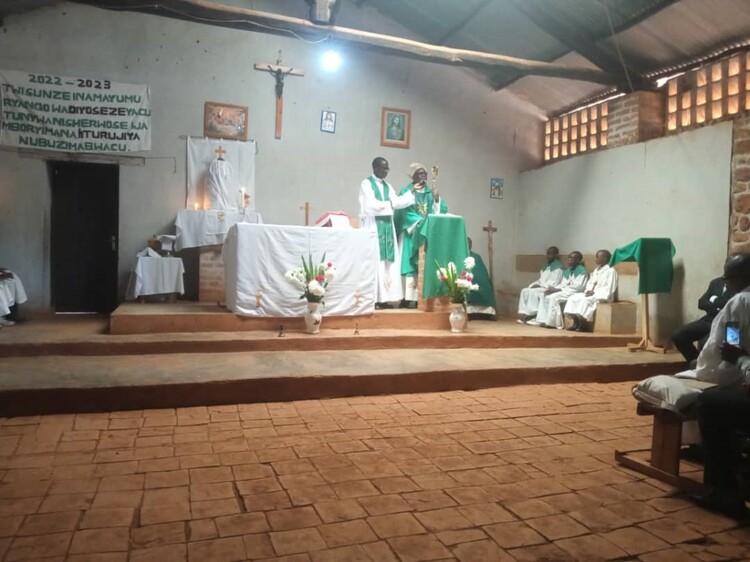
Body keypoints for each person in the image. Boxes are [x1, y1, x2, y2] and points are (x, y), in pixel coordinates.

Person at [359, 157, 415, 309]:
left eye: (387, 168)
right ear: (375, 168)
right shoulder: (366, 184)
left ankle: (386, 299)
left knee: (388, 264)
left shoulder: (387, 186)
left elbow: (396, 202)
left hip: (387, 228)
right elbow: (370, 205)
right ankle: (375, 299)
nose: (386, 171)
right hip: (374, 228)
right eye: (384, 168)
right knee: (376, 262)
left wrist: (411, 192)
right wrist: (389, 204)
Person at [394, 163, 448, 308]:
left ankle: (420, 297)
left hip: (425, 234)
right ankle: (407, 298)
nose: (423, 175)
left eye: (425, 173)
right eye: (420, 173)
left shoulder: (431, 192)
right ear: (413, 176)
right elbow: (403, 211)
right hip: (411, 233)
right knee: (409, 263)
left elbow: (441, 210)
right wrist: (419, 224)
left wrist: (437, 199)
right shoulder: (407, 191)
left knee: (423, 264)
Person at [672, 275, 734, 365]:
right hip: (709, 319)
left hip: (727, 323)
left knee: (705, 343)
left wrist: (714, 300)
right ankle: (697, 363)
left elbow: (730, 305)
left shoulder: (741, 285)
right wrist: (717, 306)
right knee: (678, 335)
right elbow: (701, 303)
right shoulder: (716, 282)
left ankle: (706, 366)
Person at [528, 251, 588, 329]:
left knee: (553, 297)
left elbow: (578, 286)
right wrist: (554, 289)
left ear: (578, 260)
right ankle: (542, 320)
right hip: (565, 290)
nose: (569, 260)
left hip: (574, 292)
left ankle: (552, 323)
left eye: (571, 259)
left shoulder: (582, 272)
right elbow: (563, 284)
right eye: (568, 258)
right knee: (545, 294)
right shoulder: (568, 271)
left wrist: (559, 290)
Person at [563, 249, 618, 331]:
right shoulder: (596, 270)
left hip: (602, 295)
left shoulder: (611, 271)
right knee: (573, 298)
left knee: (585, 301)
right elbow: (590, 283)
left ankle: (582, 324)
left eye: (598, 257)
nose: (596, 259)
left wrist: (594, 292)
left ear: (605, 258)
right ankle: (575, 321)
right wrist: (588, 290)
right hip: (591, 293)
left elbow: (610, 287)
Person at [517, 247, 563, 323]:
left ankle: (532, 315)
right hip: (542, 286)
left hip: (550, 288)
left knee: (534, 292)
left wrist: (540, 286)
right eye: (547, 254)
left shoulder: (558, 268)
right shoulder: (546, 267)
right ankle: (524, 313)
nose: (547, 256)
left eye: (550, 254)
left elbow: (554, 283)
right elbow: (540, 280)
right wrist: (534, 284)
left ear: (555, 255)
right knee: (525, 290)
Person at [466, 237, 496, 320]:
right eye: (467, 243)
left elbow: (482, 273)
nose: (469, 245)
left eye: (469, 243)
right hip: (467, 281)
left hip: (478, 283)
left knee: (486, 289)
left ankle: (489, 313)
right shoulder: (461, 256)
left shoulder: (477, 257)